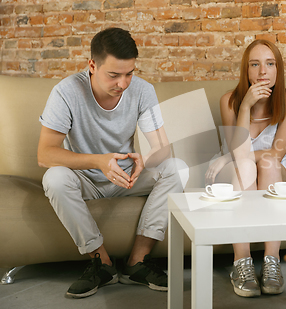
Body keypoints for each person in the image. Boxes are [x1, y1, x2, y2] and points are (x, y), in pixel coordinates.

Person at [37, 27, 185, 298]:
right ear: (92, 65)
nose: (123, 83)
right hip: (85, 179)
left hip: (127, 177)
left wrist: (147, 159)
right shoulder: (66, 92)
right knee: (54, 179)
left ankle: (136, 263)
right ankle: (101, 263)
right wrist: (98, 161)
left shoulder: (143, 90)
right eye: (114, 75)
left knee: (177, 168)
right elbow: (45, 154)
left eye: (129, 73)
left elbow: (163, 148)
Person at [205, 39, 286, 297]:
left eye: (270, 64)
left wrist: (229, 157)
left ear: (278, 69)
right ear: (246, 71)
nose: (262, 72)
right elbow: (239, 153)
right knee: (246, 164)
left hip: (272, 167)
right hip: (238, 168)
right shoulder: (230, 101)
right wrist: (245, 105)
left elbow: (277, 152)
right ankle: (242, 261)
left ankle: (271, 260)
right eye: (255, 65)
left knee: (268, 162)